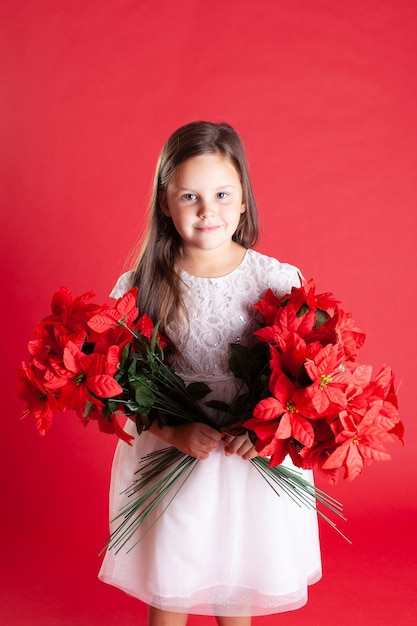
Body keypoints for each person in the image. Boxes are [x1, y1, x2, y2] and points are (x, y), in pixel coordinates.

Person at [99, 121, 322, 625]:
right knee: (171, 585)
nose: (208, 211)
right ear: (164, 203)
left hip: (249, 459)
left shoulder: (277, 280)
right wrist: (171, 429)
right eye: (189, 196)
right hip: (173, 454)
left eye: (222, 194)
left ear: (243, 198)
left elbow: (302, 375)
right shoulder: (142, 287)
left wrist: (265, 432)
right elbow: (118, 387)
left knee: (236, 580)